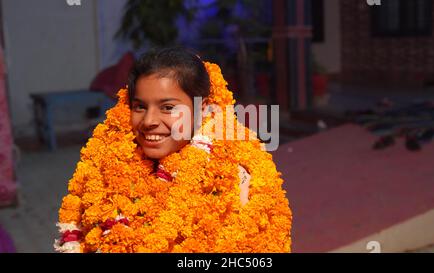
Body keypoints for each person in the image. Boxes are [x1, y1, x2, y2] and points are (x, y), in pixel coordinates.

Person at [55, 47, 292, 253]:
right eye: (139, 106)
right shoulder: (107, 167)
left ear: (202, 110)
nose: (149, 120)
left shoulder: (231, 178)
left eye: (167, 107)